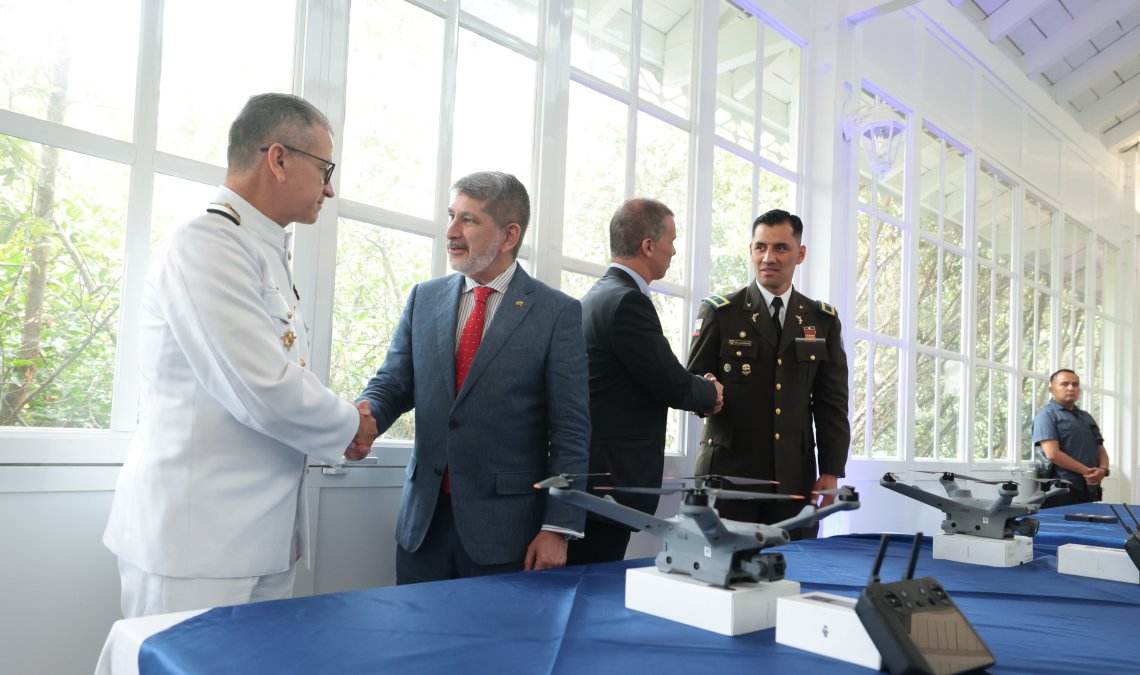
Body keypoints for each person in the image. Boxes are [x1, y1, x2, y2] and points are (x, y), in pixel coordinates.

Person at [103, 93, 377, 618]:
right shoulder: (207, 243)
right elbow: (262, 386)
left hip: (256, 539)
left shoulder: (260, 248)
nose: (330, 188)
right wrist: (351, 425)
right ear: (278, 159)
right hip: (196, 545)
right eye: (325, 169)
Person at [357, 171, 590, 584]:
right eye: (451, 216)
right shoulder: (424, 298)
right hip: (423, 526)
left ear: (509, 235)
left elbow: (570, 429)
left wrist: (558, 527)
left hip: (508, 534)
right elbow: (394, 383)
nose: (451, 231)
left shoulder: (557, 313)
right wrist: (361, 418)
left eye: (468, 220)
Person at [568, 199, 724, 565]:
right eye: (672, 240)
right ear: (649, 246)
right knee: (595, 583)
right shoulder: (628, 302)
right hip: (608, 483)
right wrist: (711, 391)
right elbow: (669, 381)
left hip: (592, 477)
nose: (674, 251)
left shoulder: (598, 295)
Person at [685, 209, 849, 537]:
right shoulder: (721, 312)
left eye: (780, 248)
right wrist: (706, 396)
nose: (768, 257)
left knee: (793, 564)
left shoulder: (822, 320)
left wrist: (831, 469)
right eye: (760, 247)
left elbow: (831, 402)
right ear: (750, 250)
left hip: (794, 480)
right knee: (726, 565)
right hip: (728, 476)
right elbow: (691, 385)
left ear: (800, 254)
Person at [1033, 368, 1110, 507]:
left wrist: (1102, 470)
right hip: (1062, 490)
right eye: (1064, 384)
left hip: (1090, 488)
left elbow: (1100, 449)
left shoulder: (1086, 417)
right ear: (1051, 390)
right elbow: (1052, 454)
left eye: (1075, 384)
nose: (1071, 388)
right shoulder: (1046, 415)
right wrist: (1088, 472)